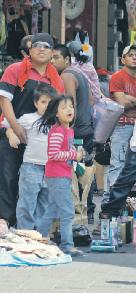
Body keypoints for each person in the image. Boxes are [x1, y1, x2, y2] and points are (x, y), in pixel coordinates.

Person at [0, 32, 64, 226]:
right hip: (10, 131)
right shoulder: (16, 69)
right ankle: (4, 221)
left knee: (35, 183)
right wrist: (15, 127)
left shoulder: (55, 79)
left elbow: (57, 112)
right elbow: (4, 100)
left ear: (52, 52)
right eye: (38, 45)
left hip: (38, 139)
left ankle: (30, 227)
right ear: (30, 49)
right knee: (8, 178)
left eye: (46, 46)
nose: (42, 48)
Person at [51, 44, 95, 223]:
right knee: (84, 169)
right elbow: (91, 100)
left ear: (67, 60)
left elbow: (71, 105)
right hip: (85, 129)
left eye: (56, 58)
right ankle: (87, 210)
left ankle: (80, 213)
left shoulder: (67, 75)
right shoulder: (79, 74)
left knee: (78, 170)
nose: (52, 61)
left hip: (77, 132)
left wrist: (67, 130)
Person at [37, 95, 84, 257]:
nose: (69, 110)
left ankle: (40, 240)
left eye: (70, 106)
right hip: (57, 176)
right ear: (56, 113)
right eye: (64, 108)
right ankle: (67, 245)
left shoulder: (68, 130)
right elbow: (53, 154)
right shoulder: (58, 131)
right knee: (67, 212)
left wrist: (75, 156)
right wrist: (73, 155)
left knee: (51, 209)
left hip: (59, 175)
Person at [5, 84, 56, 229]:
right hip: (31, 167)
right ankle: (24, 233)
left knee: (45, 203)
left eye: (50, 102)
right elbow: (8, 125)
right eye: (43, 102)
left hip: (51, 169)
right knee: (27, 203)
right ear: (35, 103)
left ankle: (39, 235)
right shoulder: (28, 118)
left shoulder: (58, 122)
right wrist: (11, 136)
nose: (47, 106)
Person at [107, 44, 136, 189]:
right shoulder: (117, 77)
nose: (134, 57)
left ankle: (131, 201)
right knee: (117, 164)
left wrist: (131, 99)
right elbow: (121, 104)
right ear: (123, 60)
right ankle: (111, 203)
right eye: (130, 55)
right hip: (121, 126)